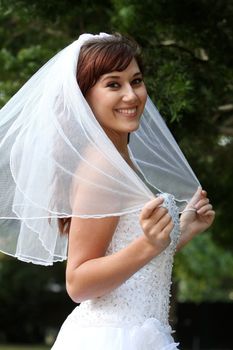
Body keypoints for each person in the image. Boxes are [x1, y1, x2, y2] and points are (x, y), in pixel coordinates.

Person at [0, 32, 215, 349]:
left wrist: (179, 231)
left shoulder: (120, 160)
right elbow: (78, 282)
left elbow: (126, 257)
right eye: (114, 84)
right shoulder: (100, 170)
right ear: (84, 97)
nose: (132, 95)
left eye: (136, 81)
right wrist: (149, 245)